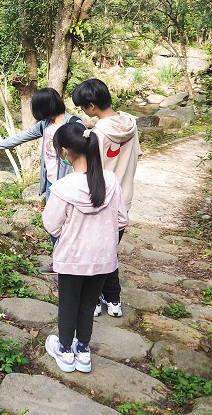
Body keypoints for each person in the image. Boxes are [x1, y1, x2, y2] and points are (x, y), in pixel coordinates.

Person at [43, 122, 128, 373]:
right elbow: (122, 220)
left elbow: (51, 224)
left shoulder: (62, 188)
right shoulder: (110, 180)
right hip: (103, 259)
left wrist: (67, 235)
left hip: (72, 258)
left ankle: (66, 351)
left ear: (65, 153)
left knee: (68, 304)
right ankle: (83, 350)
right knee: (88, 304)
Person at [0, 88, 82, 273]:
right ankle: (60, 263)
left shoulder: (74, 125)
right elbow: (20, 137)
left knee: (71, 228)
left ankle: (71, 267)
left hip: (70, 186)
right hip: (52, 185)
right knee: (53, 225)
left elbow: (85, 157)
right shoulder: (45, 125)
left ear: (46, 107)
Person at [72, 78, 141, 318]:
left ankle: (98, 301)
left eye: (83, 108)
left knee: (97, 253)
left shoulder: (95, 135)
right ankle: (112, 301)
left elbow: (88, 172)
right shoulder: (131, 125)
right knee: (109, 250)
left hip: (100, 201)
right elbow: (136, 157)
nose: (84, 112)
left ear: (91, 106)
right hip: (124, 199)